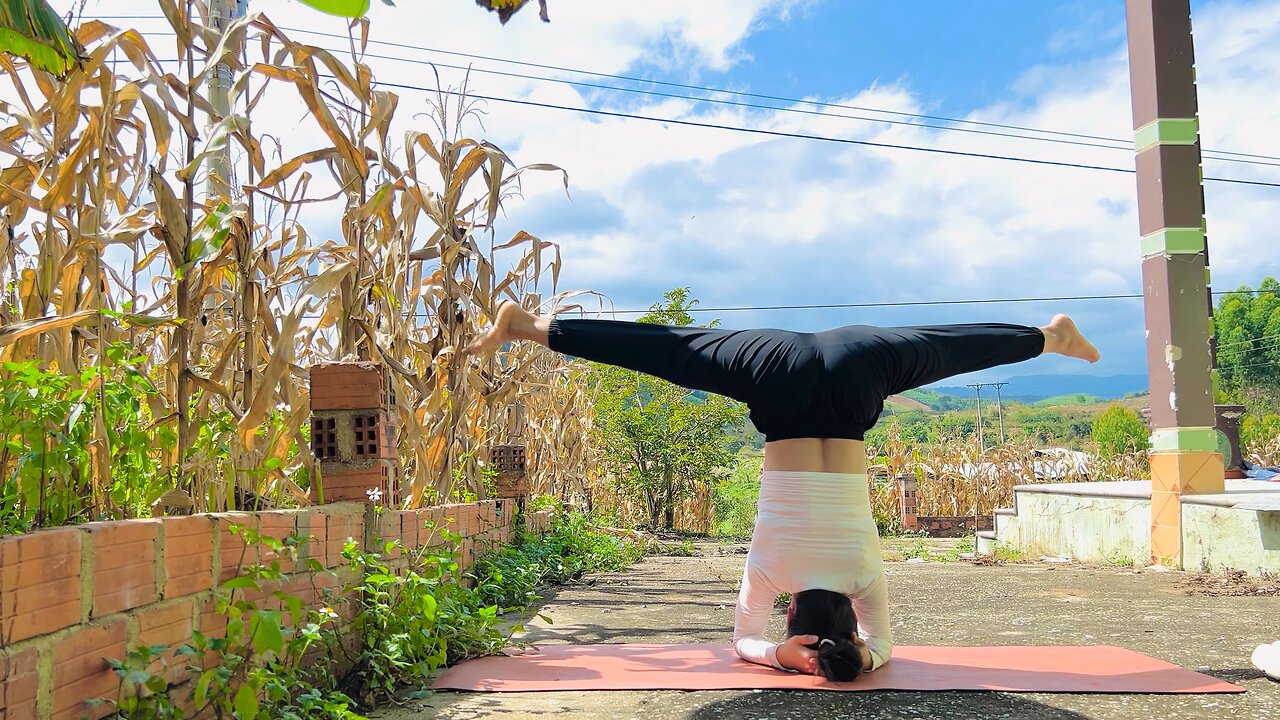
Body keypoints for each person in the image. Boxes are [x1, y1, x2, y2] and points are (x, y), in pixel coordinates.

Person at [462, 302, 1100, 681]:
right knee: (679, 351)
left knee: (937, 351)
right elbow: (741, 642)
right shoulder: (770, 574)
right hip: (776, 375)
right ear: (791, 613)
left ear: (846, 620)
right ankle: (534, 328)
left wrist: (855, 656)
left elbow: (883, 648)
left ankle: (1048, 336)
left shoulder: (863, 579)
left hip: (858, 368)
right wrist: (781, 658)